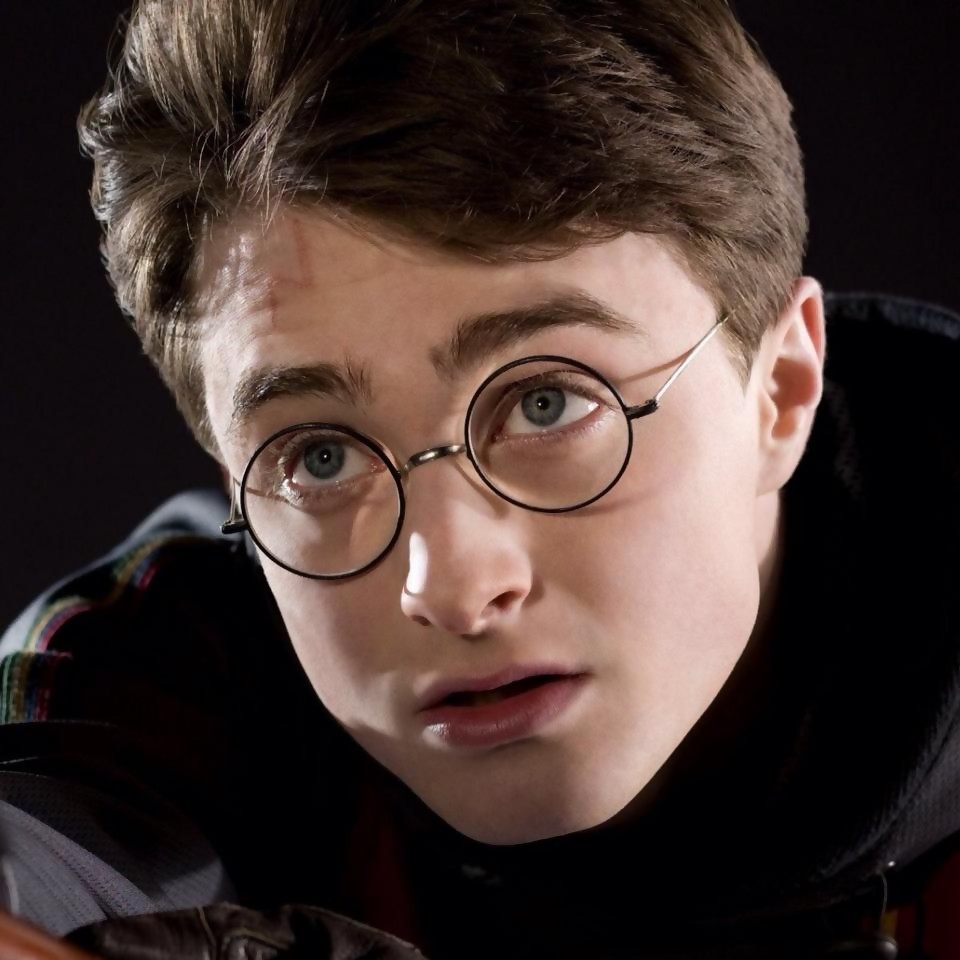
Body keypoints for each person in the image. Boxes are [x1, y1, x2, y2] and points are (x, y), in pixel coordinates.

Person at [1, 0, 958, 957]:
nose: (451, 587)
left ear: (781, 390)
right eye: (321, 457)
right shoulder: (156, 669)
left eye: (547, 403)